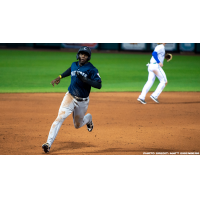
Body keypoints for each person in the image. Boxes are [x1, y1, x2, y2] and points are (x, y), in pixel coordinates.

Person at [42, 46, 102, 153]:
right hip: (69, 96)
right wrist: (59, 77)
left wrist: (86, 80)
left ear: (88, 57)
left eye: (85, 55)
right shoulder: (74, 64)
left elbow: (99, 84)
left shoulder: (92, 69)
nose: (83, 56)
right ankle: (48, 143)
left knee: (77, 125)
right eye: (81, 54)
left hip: (82, 101)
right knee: (60, 117)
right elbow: (70, 70)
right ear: (78, 55)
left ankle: (88, 119)